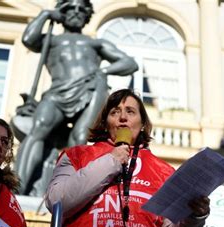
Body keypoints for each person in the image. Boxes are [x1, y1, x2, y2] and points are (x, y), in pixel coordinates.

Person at [45, 89, 210, 227]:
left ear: (143, 124)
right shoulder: (76, 155)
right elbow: (57, 202)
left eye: (130, 112)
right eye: (115, 112)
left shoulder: (164, 171)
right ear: (105, 123)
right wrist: (111, 161)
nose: (123, 117)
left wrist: (194, 217)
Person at [16, 0, 139, 195]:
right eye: (70, 8)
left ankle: (71, 191)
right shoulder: (52, 40)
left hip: (90, 89)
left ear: (87, 15)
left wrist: (104, 71)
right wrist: (45, 15)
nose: (76, 12)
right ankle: (17, 188)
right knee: (37, 129)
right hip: (57, 93)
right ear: (62, 12)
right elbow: (28, 39)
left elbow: (129, 63)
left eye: (81, 9)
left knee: (79, 136)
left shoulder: (95, 43)